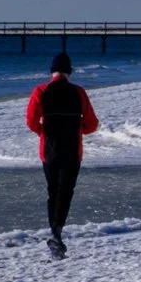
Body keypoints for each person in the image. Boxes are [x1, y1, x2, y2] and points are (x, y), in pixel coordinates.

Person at [25, 53, 99, 259]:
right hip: (72, 150)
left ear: (52, 72)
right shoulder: (79, 92)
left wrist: (43, 132)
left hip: (49, 150)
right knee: (66, 192)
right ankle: (57, 233)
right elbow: (92, 124)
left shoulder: (41, 91)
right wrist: (78, 129)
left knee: (53, 191)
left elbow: (31, 121)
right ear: (69, 72)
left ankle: (54, 232)